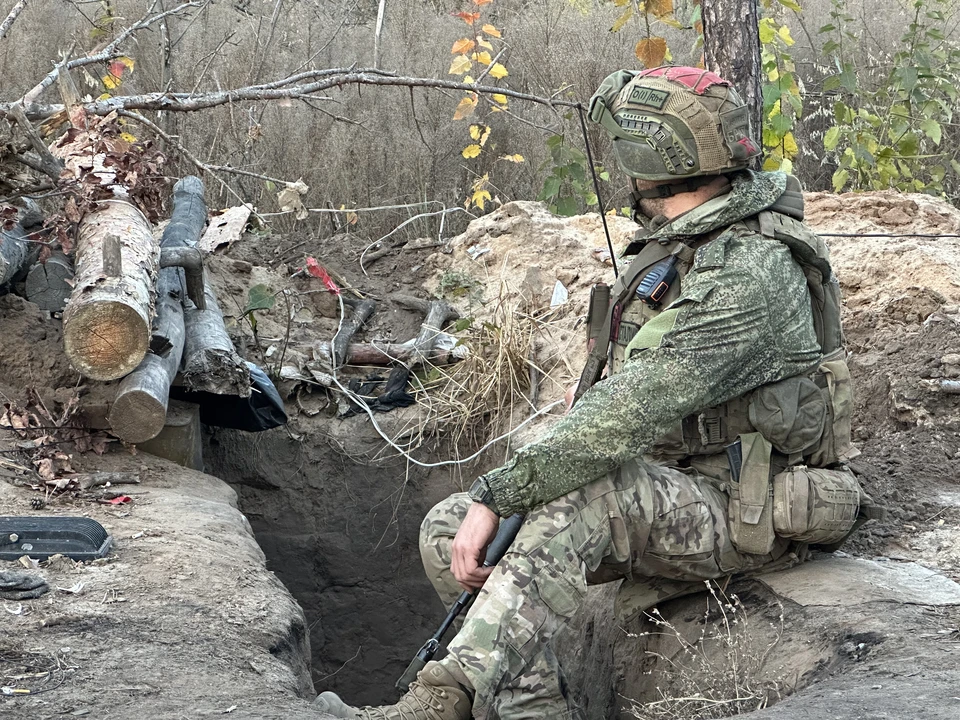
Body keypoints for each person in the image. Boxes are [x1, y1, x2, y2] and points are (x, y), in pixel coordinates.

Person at [315, 66, 872, 720]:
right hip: (669, 485)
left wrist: (506, 489)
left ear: (652, 158)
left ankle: (438, 702)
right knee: (451, 531)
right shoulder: (688, 241)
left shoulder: (751, 272)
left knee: (573, 496)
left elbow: (630, 410)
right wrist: (501, 496)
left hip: (748, 507)